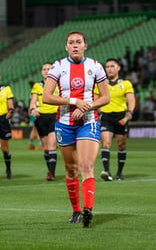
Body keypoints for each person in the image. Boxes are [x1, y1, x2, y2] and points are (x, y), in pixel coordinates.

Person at [42, 31, 110, 228]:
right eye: (71, 42)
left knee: (86, 166)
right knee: (71, 169)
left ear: (85, 45)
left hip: (88, 121)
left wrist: (86, 107)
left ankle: (88, 209)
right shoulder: (59, 66)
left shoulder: (95, 66)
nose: (75, 45)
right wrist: (73, 101)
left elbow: (105, 97)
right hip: (64, 123)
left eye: (78, 42)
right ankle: (76, 210)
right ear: (66, 47)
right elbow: (46, 96)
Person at [95, 58, 135, 182]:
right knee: (106, 143)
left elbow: (132, 99)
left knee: (121, 145)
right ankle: (106, 171)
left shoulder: (126, 83)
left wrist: (130, 112)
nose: (109, 69)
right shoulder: (101, 84)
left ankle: (119, 172)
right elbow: (95, 100)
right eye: (107, 67)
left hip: (121, 117)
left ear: (118, 68)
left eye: (112, 66)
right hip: (106, 116)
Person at [29, 62, 59, 181]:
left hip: (55, 116)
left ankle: (51, 173)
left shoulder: (58, 84)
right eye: (44, 69)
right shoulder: (37, 86)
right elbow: (33, 101)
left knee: (52, 145)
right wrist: (32, 109)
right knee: (46, 148)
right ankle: (50, 170)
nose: (46, 71)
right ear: (41, 72)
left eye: (49, 69)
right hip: (41, 118)